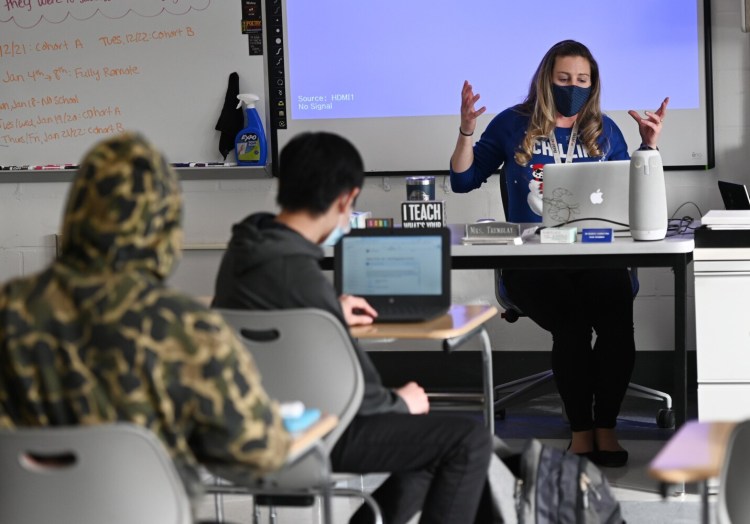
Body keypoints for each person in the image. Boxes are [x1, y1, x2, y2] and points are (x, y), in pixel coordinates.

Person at [213, 131, 493, 524]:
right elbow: (358, 395)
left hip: (246, 418)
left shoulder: (245, 249)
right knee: (469, 441)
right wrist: (402, 402)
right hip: (316, 429)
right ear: (346, 199)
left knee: (435, 448)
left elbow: (277, 317)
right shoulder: (298, 274)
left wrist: (328, 311)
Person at [0, 132, 291, 504]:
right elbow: (258, 452)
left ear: (76, 209)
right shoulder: (187, 327)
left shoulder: (10, 309)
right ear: (166, 225)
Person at [449, 40, 669, 468]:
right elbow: (462, 180)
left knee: (616, 322)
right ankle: (581, 433)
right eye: (564, 79)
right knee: (571, 325)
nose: (573, 87)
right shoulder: (512, 125)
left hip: (597, 257)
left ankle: (606, 427)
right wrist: (466, 131)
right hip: (533, 261)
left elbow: (634, 198)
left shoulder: (605, 130)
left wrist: (649, 148)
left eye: (582, 80)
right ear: (547, 79)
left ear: (593, 84)